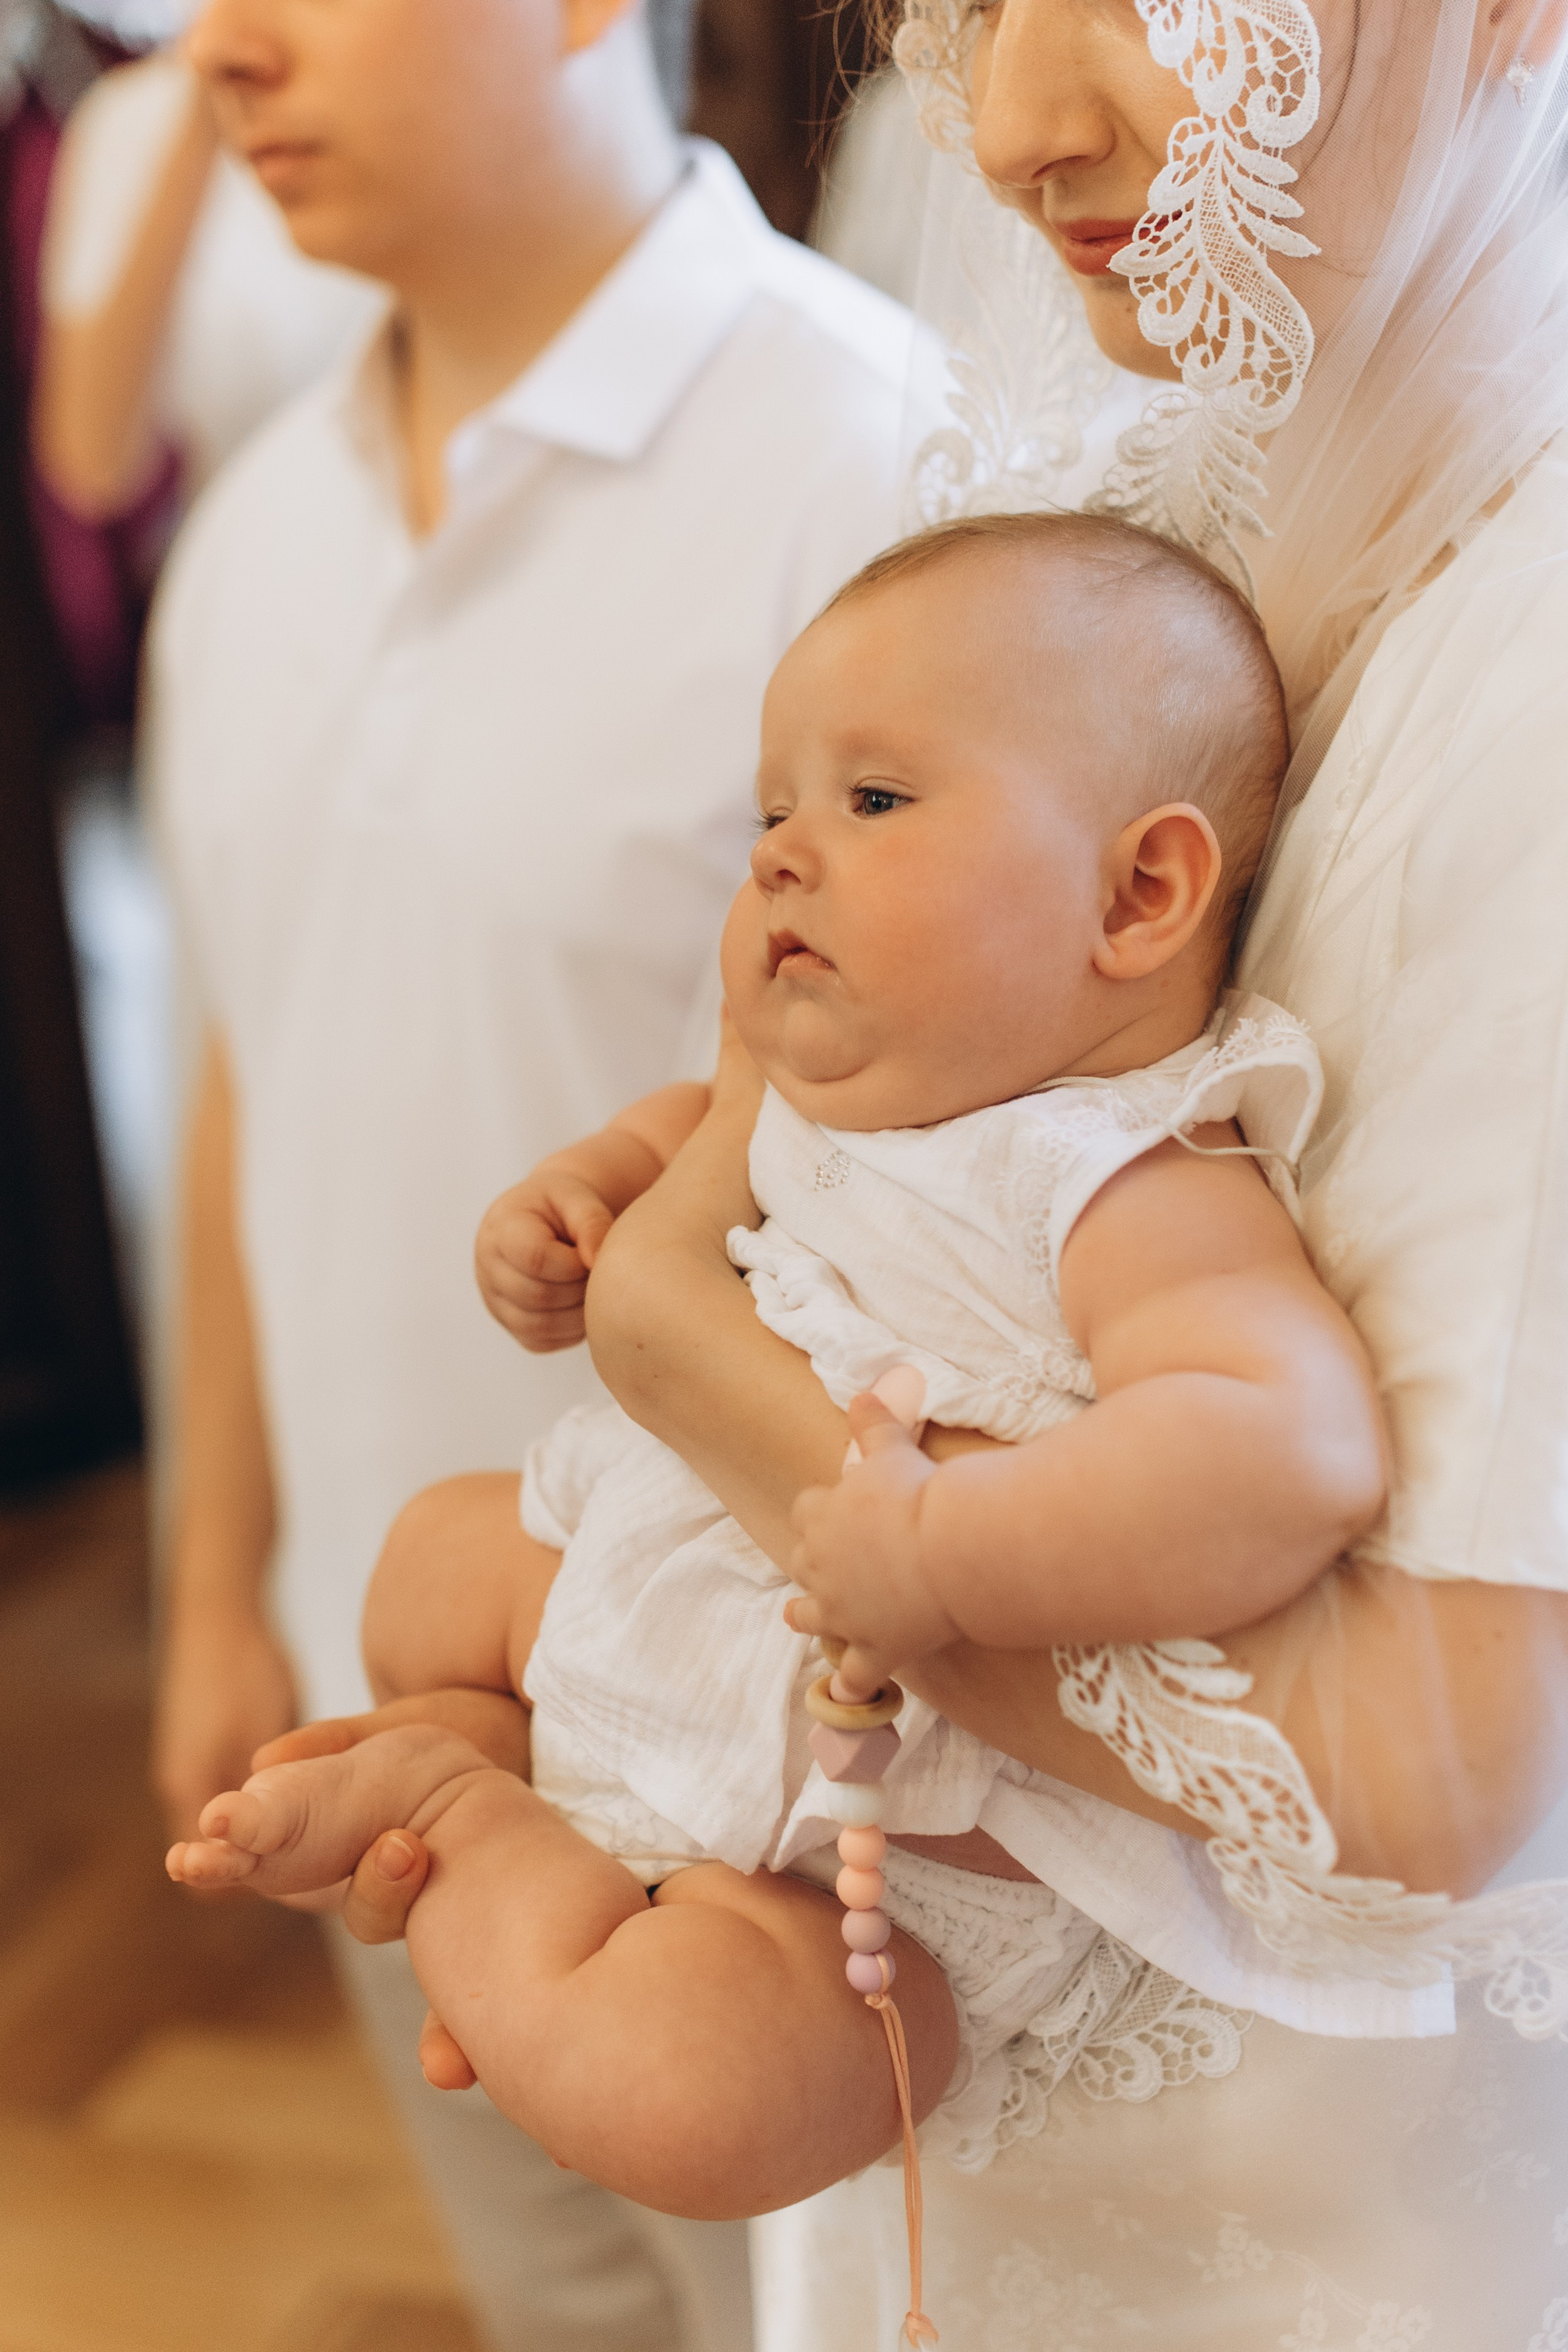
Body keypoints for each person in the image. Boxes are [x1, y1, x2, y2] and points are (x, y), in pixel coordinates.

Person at [314, 0, 1568, 2340]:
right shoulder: (1139, 505)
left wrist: (697, 1357)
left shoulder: (1530, 674)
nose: (1003, 125)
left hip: (1305, 2224)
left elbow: (1420, 1757)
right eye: (975, 5)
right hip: (930, 2069)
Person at [166, 512, 1390, 2247]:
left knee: (685, 2097)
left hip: (870, 1846)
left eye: (872, 803)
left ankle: (466, 1814)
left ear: (1139, 893)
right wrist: (592, 1191)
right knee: (427, 1556)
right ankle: (499, 1759)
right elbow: (697, 1158)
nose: (782, 859)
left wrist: (955, 1550)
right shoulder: (820, 1092)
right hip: (653, 1610)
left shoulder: (1124, 1181)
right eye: (771, 812)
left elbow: (1289, 1446)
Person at [146, 0, 917, 2341]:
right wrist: (218, 1586)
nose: (220, 55)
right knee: (556, 2306)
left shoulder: (866, 460)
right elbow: (241, 1068)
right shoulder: (247, 532)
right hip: (376, 1696)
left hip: (743, 1790)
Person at [33, 39, 381, 521]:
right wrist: (199, 120)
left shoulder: (406, 93)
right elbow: (93, 462)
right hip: (252, 547)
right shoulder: (129, 120)